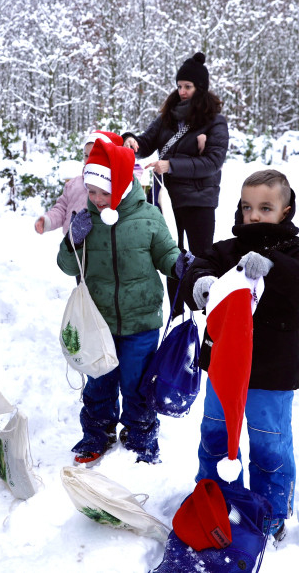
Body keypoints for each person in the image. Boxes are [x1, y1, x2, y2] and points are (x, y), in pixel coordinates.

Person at [182, 169, 299, 542]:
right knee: (215, 434)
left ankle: (270, 511)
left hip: (271, 373)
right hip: (222, 369)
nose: (254, 215)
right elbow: (199, 267)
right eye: (247, 207)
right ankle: (216, 498)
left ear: (285, 211)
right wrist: (201, 283)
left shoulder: (294, 254)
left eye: (265, 207)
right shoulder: (226, 250)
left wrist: (273, 266)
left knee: (269, 443)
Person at [57, 139, 192, 465]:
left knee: (137, 383)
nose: (96, 199)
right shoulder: (86, 221)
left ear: (120, 185)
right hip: (98, 321)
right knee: (99, 383)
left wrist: (179, 264)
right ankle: (96, 434)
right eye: (91, 192)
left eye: (103, 192)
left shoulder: (148, 217)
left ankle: (141, 436)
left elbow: (165, 253)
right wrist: (73, 240)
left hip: (141, 320)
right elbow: (67, 266)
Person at [123, 52, 229, 315]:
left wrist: (171, 165)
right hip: (167, 200)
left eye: (188, 86)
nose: (182, 91)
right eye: (179, 86)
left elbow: (213, 162)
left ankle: (205, 313)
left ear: (200, 88)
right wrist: (130, 140)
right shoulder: (168, 117)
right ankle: (176, 315)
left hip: (199, 201)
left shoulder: (215, 121)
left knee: (201, 257)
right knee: (171, 257)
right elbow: (145, 143)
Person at [34, 131, 121, 237]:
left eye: (94, 155)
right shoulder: (73, 184)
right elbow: (61, 209)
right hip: (71, 242)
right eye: (86, 155)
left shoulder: (111, 186)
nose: (89, 160)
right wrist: (48, 221)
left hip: (98, 242)